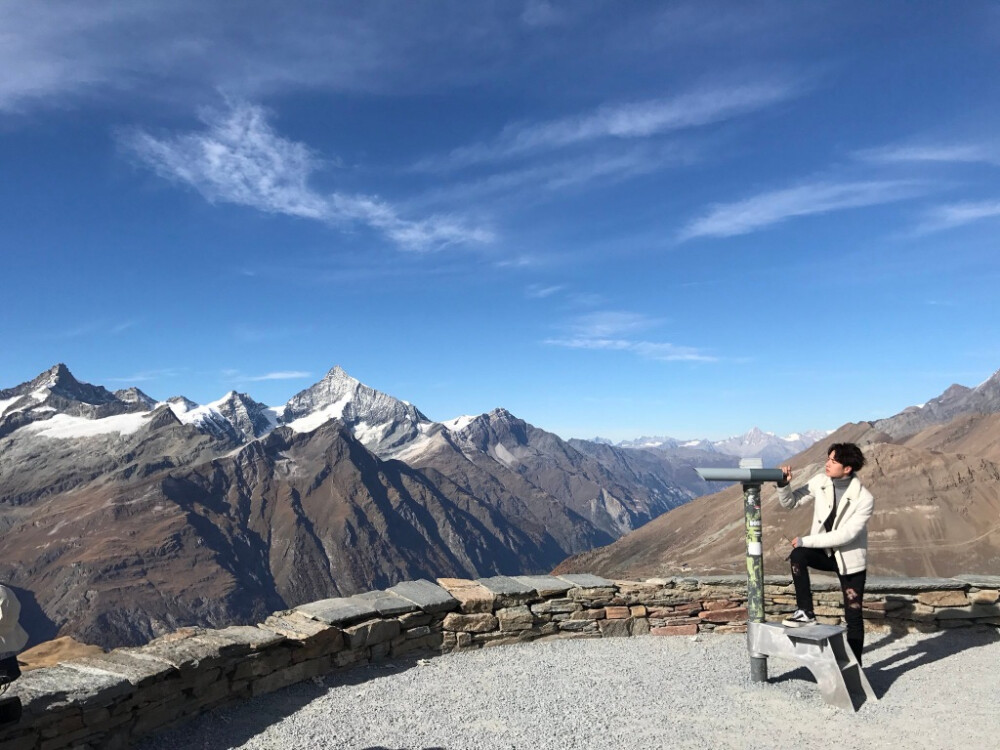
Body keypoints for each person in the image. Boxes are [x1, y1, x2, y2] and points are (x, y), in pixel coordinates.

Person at [777, 442, 874, 664]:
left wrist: (806, 540)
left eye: (833, 461)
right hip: (825, 554)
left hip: (850, 561)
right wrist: (783, 485)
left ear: (847, 468)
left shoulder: (864, 499)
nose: (827, 464)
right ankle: (805, 612)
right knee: (798, 555)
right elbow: (791, 503)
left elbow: (845, 535)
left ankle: (854, 667)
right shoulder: (821, 482)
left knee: (853, 616)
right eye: (828, 459)